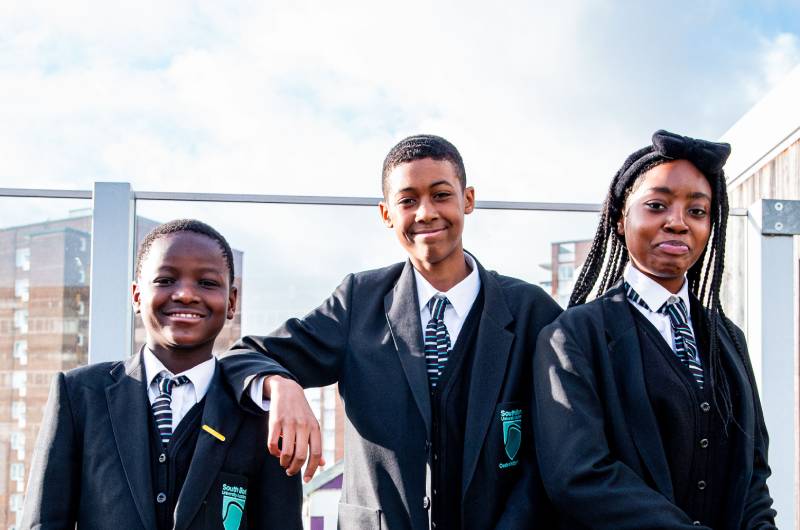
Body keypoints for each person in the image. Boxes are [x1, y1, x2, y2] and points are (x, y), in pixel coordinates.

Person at [218, 134, 563, 529]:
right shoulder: (358, 301)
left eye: (441, 195)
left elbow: (555, 447)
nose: (426, 213)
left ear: (467, 199)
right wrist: (281, 384)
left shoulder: (531, 311)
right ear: (386, 214)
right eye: (408, 200)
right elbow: (243, 355)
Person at [533, 130, 777, 529]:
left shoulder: (727, 338)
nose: (677, 223)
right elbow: (578, 475)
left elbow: (752, 473)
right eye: (657, 205)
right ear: (619, 219)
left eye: (697, 211)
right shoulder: (573, 336)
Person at [21, 219, 302, 530]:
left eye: (207, 283)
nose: (184, 294)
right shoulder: (79, 395)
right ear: (137, 295)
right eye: (165, 280)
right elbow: (43, 522)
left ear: (232, 301)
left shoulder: (262, 417)